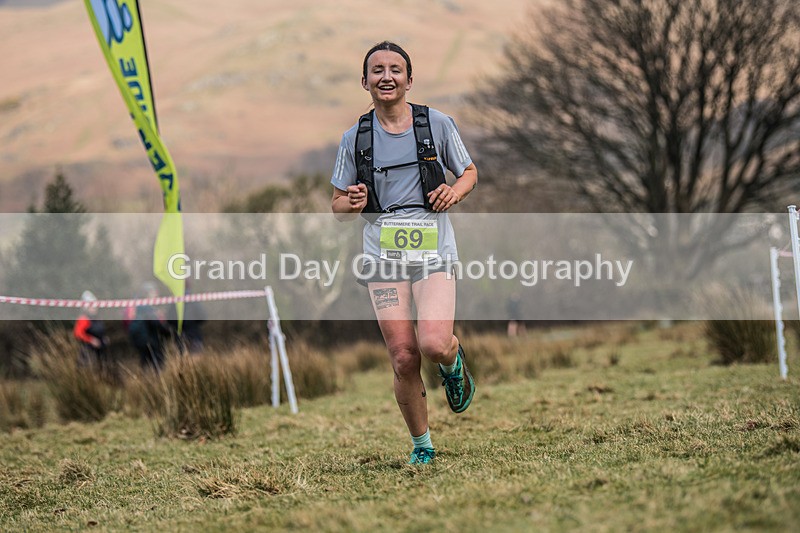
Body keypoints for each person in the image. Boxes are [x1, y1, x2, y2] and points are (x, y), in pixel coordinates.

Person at [331, 41, 478, 465]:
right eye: (377, 70)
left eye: (396, 69)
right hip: (383, 256)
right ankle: (423, 446)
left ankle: (452, 363)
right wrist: (352, 202)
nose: (387, 76)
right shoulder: (354, 138)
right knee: (403, 355)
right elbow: (338, 206)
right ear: (365, 82)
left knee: (432, 343)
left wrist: (454, 190)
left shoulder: (436, 124)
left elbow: (469, 172)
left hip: (433, 250)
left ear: (409, 80)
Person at [128, 282, 170, 371]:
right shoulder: (147, 307)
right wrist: (168, 331)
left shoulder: (138, 306)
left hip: (141, 341)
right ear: (148, 294)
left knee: (146, 365)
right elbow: (155, 323)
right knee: (158, 366)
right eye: (154, 292)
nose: (156, 295)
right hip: (151, 341)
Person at [73, 290, 109, 370]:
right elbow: (78, 333)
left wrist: (104, 339)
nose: (94, 308)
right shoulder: (84, 318)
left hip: (101, 352)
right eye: (91, 306)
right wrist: (91, 340)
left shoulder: (97, 317)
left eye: (95, 306)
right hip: (88, 352)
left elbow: (100, 331)